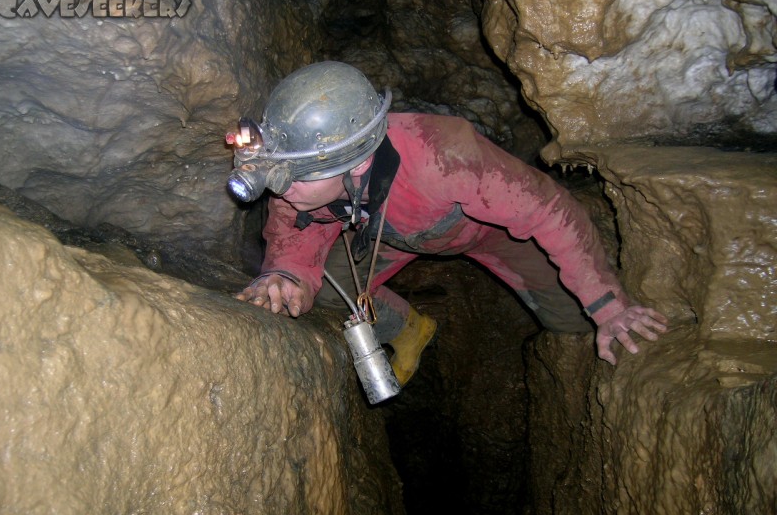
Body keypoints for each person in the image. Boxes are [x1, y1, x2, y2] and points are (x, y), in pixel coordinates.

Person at [230, 61, 668, 384]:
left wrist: (607, 304)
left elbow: (549, 209)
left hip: (490, 234)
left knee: (573, 320)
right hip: (394, 235)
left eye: (296, 177)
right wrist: (284, 276)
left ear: (357, 165)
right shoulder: (301, 184)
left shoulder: (443, 157)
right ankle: (410, 328)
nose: (280, 191)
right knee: (324, 294)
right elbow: (294, 231)